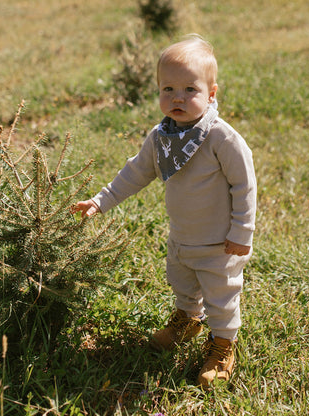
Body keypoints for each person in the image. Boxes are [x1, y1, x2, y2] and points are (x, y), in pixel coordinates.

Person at [73, 34, 256, 387]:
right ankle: (187, 320)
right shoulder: (161, 138)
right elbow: (135, 173)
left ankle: (222, 346)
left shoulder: (222, 139)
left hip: (220, 244)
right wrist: (101, 200)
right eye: (168, 89)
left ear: (212, 93)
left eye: (190, 89)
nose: (177, 98)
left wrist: (241, 233)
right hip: (183, 237)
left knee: (221, 296)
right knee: (182, 283)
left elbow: (245, 186)